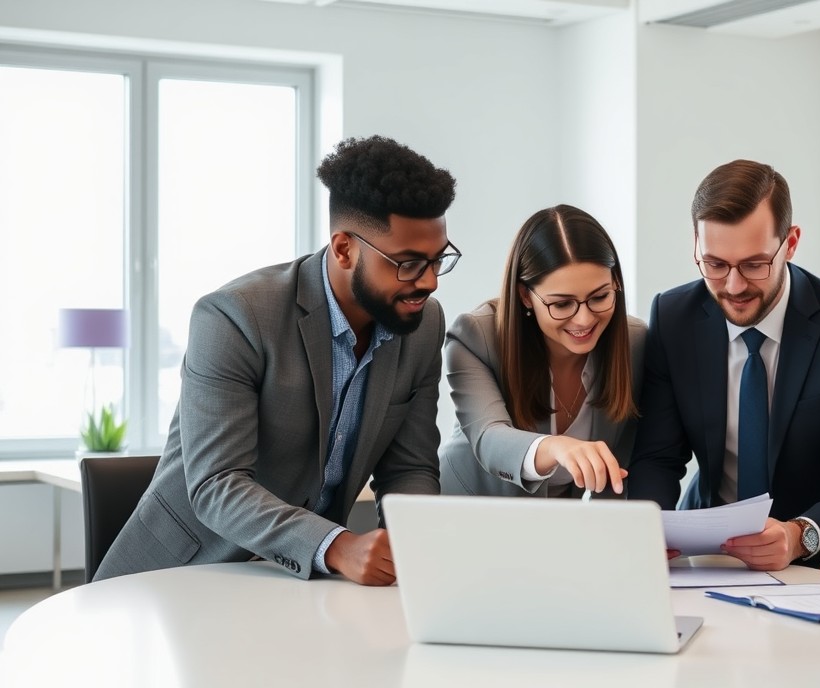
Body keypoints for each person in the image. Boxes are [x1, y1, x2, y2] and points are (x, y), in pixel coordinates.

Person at [96, 135, 457, 586]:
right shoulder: (234, 316)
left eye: (437, 260)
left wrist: (411, 544)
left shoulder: (422, 324)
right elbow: (217, 485)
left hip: (304, 586)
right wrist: (338, 546)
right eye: (406, 263)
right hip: (181, 575)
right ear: (344, 248)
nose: (429, 283)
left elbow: (409, 467)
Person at [627, 159, 820, 570]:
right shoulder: (673, 316)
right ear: (696, 248)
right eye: (715, 264)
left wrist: (799, 535)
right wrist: (652, 533)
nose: (734, 287)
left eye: (755, 264)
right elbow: (657, 456)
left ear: (790, 243)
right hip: (706, 553)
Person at [439, 204, 642, 498]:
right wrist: (556, 446)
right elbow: (489, 438)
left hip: (560, 528)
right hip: (464, 513)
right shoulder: (476, 336)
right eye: (561, 304)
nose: (584, 319)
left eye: (600, 297)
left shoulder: (636, 343)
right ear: (525, 296)